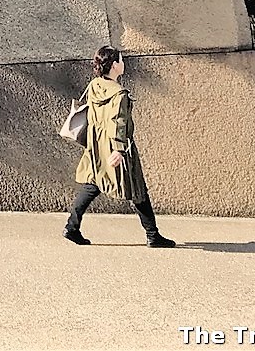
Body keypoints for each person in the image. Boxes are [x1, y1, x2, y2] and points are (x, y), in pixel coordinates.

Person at [63, 46, 177, 248]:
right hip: (116, 146)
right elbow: (119, 122)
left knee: (93, 183)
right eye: (121, 60)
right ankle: (153, 235)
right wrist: (119, 150)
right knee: (137, 188)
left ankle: (72, 227)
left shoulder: (95, 86)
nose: (123, 64)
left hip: (96, 145)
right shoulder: (119, 94)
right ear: (115, 65)